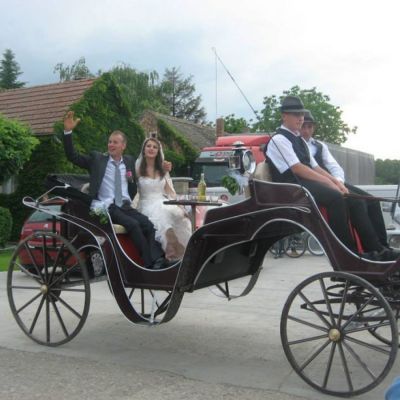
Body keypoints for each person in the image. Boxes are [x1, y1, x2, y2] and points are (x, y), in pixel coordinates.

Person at [265, 96, 398, 261]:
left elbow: (315, 167)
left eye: (301, 114)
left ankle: (380, 249)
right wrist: (331, 184)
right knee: (336, 198)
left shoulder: (300, 140)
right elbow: (298, 168)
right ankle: (348, 254)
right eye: (296, 114)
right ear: (284, 116)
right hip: (292, 187)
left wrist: (336, 182)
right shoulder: (278, 140)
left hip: (306, 182)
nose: (300, 118)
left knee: (365, 200)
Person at [63, 111, 170, 270]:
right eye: (110, 142)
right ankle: (149, 265)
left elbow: (146, 167)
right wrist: (67, 132)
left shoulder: (129, 161)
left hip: (125, 206)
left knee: (148, 224)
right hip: (108, 206)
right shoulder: (97, 159)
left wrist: (163, 167)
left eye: (115, 142)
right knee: (133, 225)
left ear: (123, 146)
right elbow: (73, 156)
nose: (111, 145)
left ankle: (159, 259)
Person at [300, 110, 391, 252]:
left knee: (372, 200)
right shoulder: (296, 145)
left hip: (332, 181)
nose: (306, 131)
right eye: (303, 127)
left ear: (314, 127)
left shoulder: (320, 146)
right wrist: (333, 185)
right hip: (316, 184)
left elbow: (334, 167)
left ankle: (384, 245)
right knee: (357, 202)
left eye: (309, 126)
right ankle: (373, 249)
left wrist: (339, 182)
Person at [136, 137, 192, 262]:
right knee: (163, 219)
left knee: (181, 217)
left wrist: (180, 206)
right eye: (148, 146)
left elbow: (170, 192)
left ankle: (184, 252)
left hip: (162, 201)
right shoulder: (137, 168)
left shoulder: (162, 170)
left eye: (155, 147)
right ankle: (170, 254)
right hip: (147, 204)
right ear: (144, 149)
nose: (151, 149)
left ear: (158, 152)